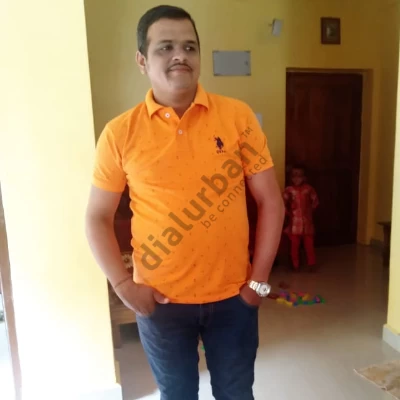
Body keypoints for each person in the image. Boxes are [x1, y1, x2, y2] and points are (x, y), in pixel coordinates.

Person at [85, 5, 284, 400]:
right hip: (161, 304)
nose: (180, 55)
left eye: (190, 47)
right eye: (165, 47)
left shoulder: (238, 117)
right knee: (176, 395)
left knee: (236, 393)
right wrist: (124, 287)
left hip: (234, 298)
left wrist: (257, 284)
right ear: (142, 60)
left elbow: (271, 202)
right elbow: (97, 216)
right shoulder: (120, 133)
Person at [283, 165, 319, 272]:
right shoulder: (289, 190)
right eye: (294, 176)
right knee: (294, 246)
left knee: (309, 245)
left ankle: (311, 264)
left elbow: (315, 201)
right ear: (290, 177)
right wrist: (287, 213)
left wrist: (309, 211)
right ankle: (295, 265)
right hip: (293, 224)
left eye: (299, 176)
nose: (297, 179)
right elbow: (283, 203)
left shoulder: (308, 189)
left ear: (304, 177)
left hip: (307, 223)